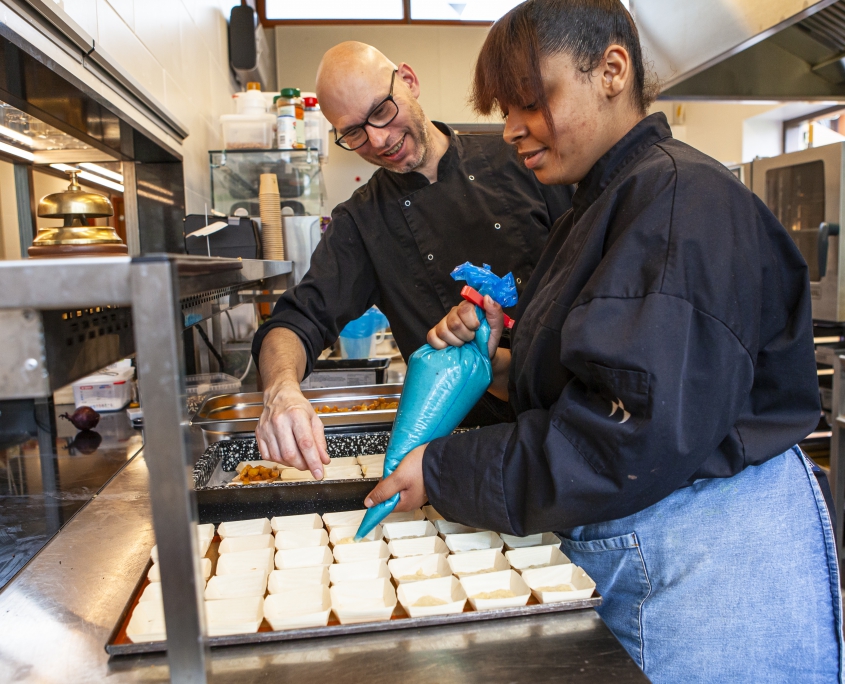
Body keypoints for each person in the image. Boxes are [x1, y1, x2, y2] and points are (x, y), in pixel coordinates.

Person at [363, 1, 843, 681]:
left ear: (611, 69)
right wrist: (489, 364)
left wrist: (446, 469)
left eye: (530, 101)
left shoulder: (679, 203)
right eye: (504, 108)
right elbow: (600, 381)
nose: (509, 130)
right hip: (658, 548)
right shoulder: (605, 203)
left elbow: (628, 432)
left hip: (715, 566)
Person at [252, 41, 572, 478]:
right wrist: (281, 388)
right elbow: (297, 320)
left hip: (571, 430)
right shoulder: (362, 222)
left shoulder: (522, 159)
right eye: (354, 133)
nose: (379, 140)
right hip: (461, 456)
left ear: (408, 80)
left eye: (381, 111)